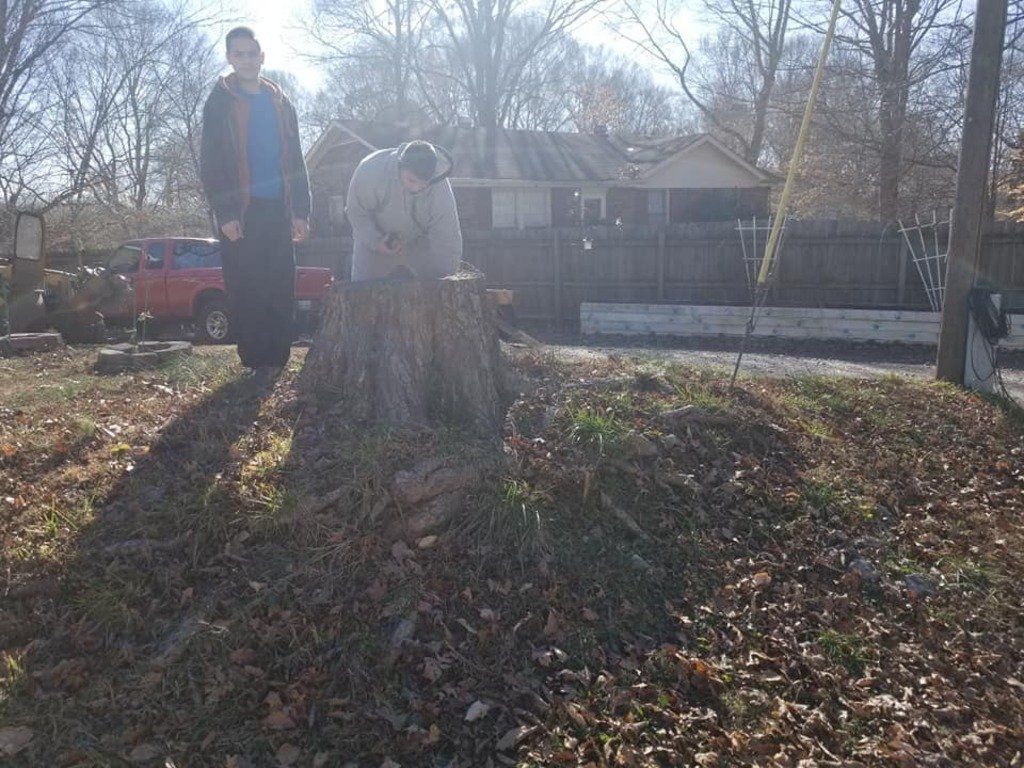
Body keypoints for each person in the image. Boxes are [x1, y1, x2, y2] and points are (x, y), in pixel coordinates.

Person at [199, 26, 310, 382]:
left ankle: (277, 361)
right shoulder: (219, 100)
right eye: (239, 54)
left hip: (278, 209)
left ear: (262, 57)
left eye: (252, 54)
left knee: (279, 283)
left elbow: (295, 159)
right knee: (247, 286)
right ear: (230, 58)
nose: (246, 60)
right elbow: (212, 161)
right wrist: (226, 213)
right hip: (242, 213)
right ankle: (252, 363)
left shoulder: (281, 101)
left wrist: (302, 212)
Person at [346, 140, 462, 281]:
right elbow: (356, 213)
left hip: (420, 245)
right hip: (374, 244)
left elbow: (447, 236)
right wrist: (375, 241)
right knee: (362, 295)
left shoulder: (439, 187)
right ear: (399, 166)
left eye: (424, 184)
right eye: (411, 180)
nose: (418, 188)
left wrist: (446, 277)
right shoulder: (370, 171)